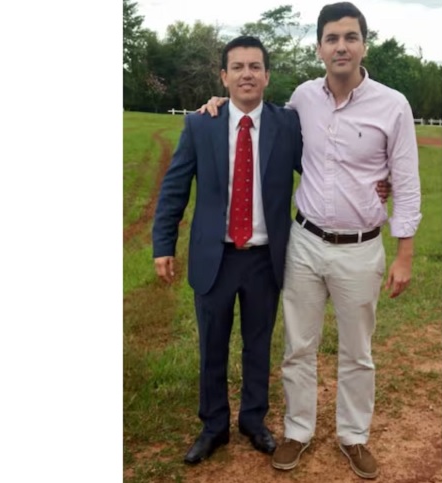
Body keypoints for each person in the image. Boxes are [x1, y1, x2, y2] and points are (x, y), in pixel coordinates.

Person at [201, 2, 422, 480]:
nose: (341, 46)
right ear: (319, 47)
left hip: (361, 247)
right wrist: (218, 105)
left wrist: (404, 253)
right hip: (304, 241)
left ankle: (353, 436)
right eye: (332, 38)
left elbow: (406, 183)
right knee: (298, 346)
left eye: (350, 37)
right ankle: (297, 430)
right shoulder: (303, 97)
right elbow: (262, 122)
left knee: (357, 351)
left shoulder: (393, 105)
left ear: (364, 45)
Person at [152, 35, 304, 464]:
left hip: (264, 259)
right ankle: (213, 426)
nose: (246, 74)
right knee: (212, 347)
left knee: (258, 345)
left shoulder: (288, 125)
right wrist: (163, 244)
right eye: (237, 67)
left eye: (255, 66)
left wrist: (375, 181)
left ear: (267, 75)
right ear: (223, 76)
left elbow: (322, 170)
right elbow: (175, 188)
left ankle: (253, 420)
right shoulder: (201, 125)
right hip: (214, 257)